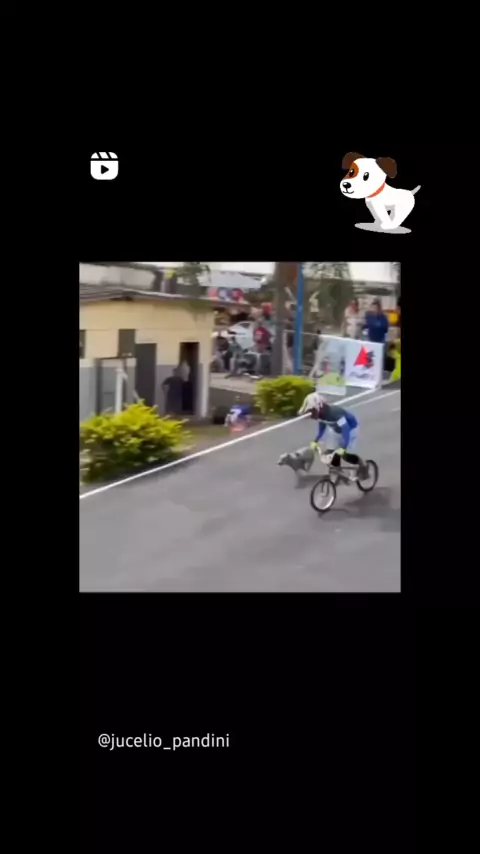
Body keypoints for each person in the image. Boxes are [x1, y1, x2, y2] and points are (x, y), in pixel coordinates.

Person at [298, 392, 367, 481]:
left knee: (345, 455)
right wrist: (316, 441)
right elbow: (322, 427)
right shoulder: (321, 415)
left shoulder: (335, 414)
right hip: (336, 429)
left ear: (320, 407)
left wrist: (343, 447)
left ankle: (363, 466)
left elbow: (346, 430)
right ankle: (338, 471)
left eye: (312, 411)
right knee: (329, 453)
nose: (311, 415)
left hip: (350, 429)